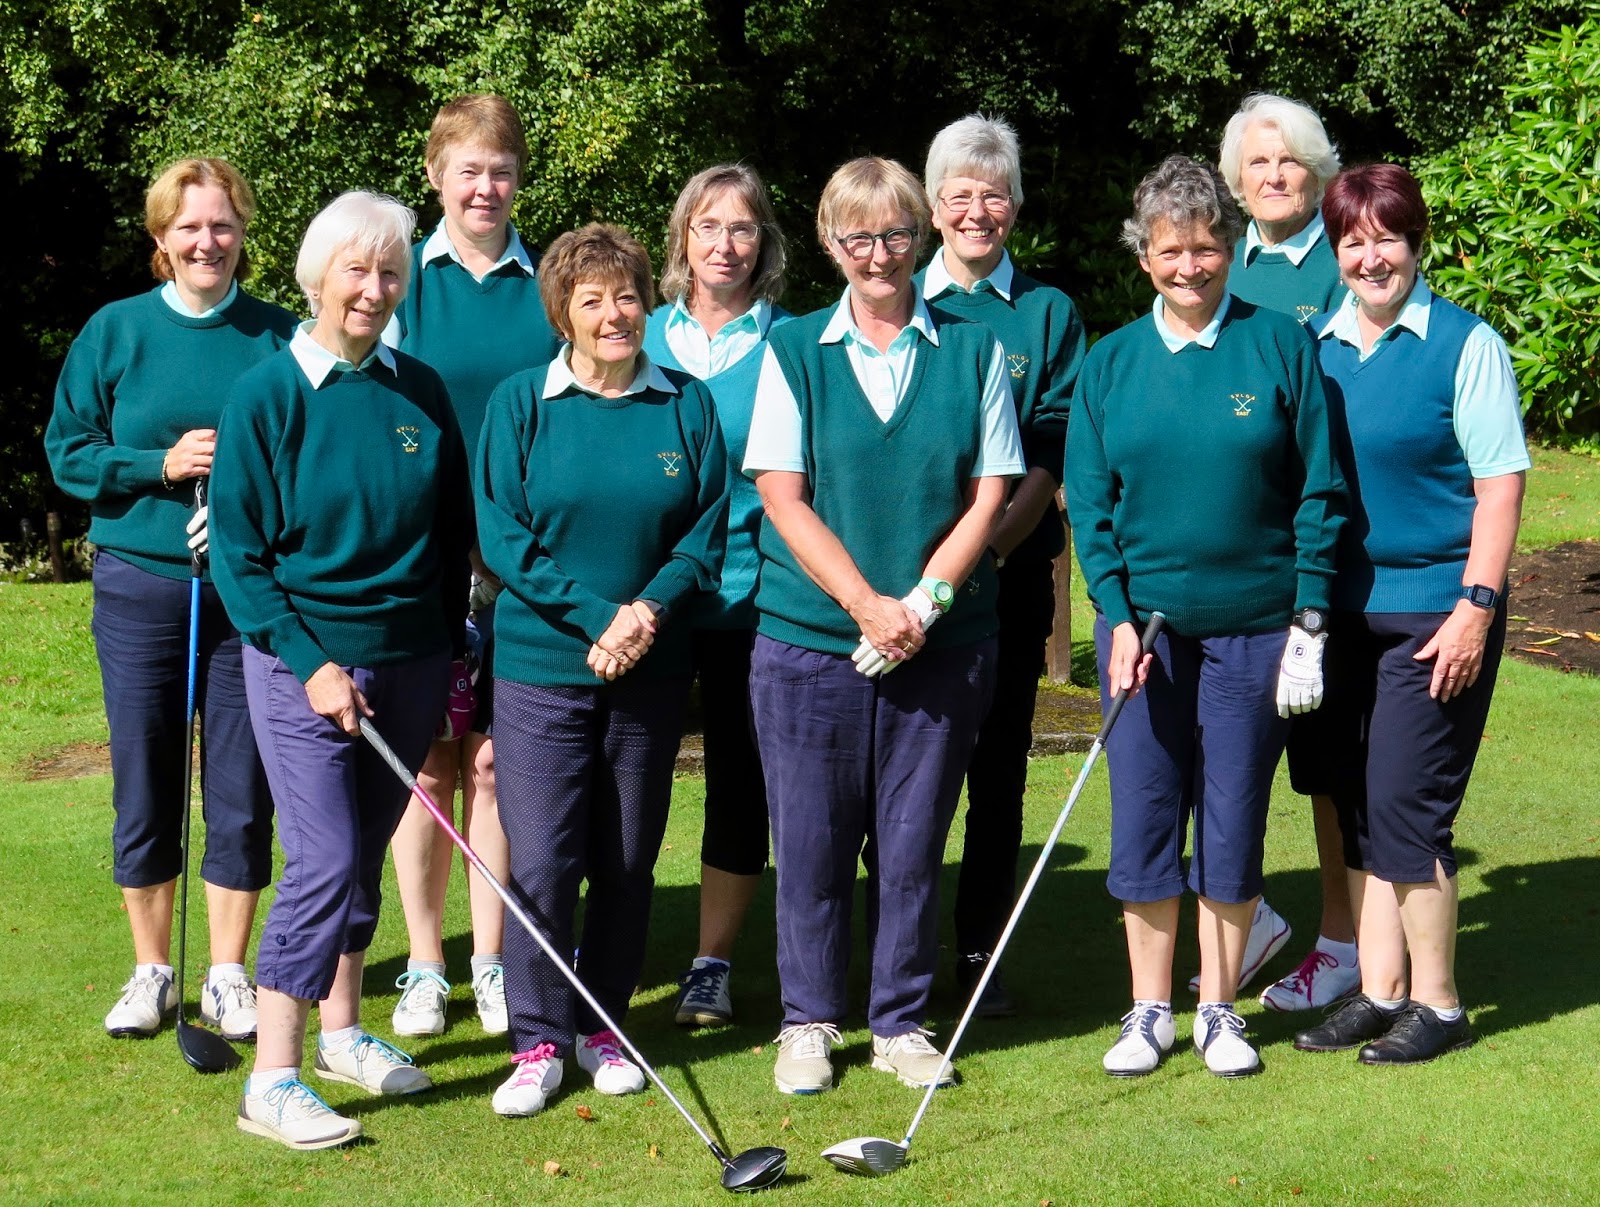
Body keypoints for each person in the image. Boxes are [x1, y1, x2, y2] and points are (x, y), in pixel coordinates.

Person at [745, 156, 1024, 1095]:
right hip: (809, 642)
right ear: (829, 242)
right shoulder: (791, 350)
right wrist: (868, 605)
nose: (879, 255)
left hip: (941, 643)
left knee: (910, 846)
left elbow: (991, 495)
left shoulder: (975, 350)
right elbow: (783, 497)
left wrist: (922, 606)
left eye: (897, 235)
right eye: (858, 237)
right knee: (814, 845)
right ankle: (809, 1021)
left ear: (923, 238)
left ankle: (901, 1020)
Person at [1066, 155, 1346, 1079]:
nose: (1191, 266)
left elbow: (1320, 489)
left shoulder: (1280, 345)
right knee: (1146, 816)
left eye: (1207, 248)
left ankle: (1216, 1006)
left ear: (1231, 248)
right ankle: (1149, 1008)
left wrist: (1308, 617)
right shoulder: (1109, 362)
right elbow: (1090, 506)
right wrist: (1111, 618)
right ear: (1143, 257)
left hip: (1257, 627)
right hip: (1147, 634)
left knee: (1232, 817)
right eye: (1171, 250)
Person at [211, 191, 471, 1149]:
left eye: (391, 270)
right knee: (321, 859)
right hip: (300, 660)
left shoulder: (421, 389)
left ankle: (342, 1030)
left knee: (359, 858)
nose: (374, 287)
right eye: (356, 270)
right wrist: (313, 662)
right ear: (316, 278)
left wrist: (450, 644)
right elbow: (239, 556)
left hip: (410, 660)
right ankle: (270, 1079)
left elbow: (449, 539)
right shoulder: (268, 394)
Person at [474, 223, 729, 1118]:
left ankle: (603, 1025)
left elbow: (705, 532)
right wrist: (598, 617)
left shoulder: (686, 405)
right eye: (593, 301)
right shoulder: (519, 404)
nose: (615, 314)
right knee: (543, 859)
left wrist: (645, 614)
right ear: (563, 314)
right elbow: (504, 535)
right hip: (544, 665)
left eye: (627, 297)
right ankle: (539, 1037)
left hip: (649, 669)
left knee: (626, 857)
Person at [45, 158, 294, 1044]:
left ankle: (228, 972)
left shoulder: (278, 336)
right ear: (160, 239)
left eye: (222, 225)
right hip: (143, 586)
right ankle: (153, 969)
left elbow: (306, 458)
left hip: (245, 593)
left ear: (242, 234)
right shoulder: (115, 332)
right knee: (145, 780)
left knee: (241, 784)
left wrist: (237, 504)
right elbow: (69, 452)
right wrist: (158, 467)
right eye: (188, 227)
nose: (206, 241)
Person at [1292, 163, 1527, 1065]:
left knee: (1405, 805)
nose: (1370, 255)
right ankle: (1381, 989)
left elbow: (1498, 487)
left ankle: (1439, 1001)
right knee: (1356, 804)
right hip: (1341, 612)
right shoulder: (1316, 343)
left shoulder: (1466, 346)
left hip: (1436, 610)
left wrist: (1477, 604)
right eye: (1353, 240)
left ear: (1417, 241)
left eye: (1386, 236)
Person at [384, 93, 561, 1041]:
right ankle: (425, 963)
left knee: (497, 765)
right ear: (435, 176)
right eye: (468, 169)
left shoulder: (549, 283)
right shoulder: (401, 277)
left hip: (524, 562)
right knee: (427, 768)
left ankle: (491, 957)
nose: (485, 186)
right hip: (424, 559)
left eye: (500, 169)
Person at [918, 114, 1086, 1018]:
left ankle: (981, 948)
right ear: (933, 205)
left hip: (1009, 580)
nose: (977, 210)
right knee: (906, 772)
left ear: (1014, 206)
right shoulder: (899, 295)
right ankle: (902, 946)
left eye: (994, 194)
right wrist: (930, 576)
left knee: (998, 769)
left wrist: (983, 553)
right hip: (908, 588)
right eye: (960, 194)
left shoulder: (1049, 313)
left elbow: (1051, 450)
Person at [642, 164, 791, 1029]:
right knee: (632, 777)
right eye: (707, 227)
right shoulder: (635, 333)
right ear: (682, 240)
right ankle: (616, 942)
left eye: (741, 228)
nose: (724, 245)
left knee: (741, 783)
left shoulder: (795, 344)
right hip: (654, 602)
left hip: (753, 602)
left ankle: (711, 961)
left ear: (763, 243)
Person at [1217, 93, 1357, 1010]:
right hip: (1238, 563)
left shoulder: (1342, 266)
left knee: (1330, 760)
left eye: (1290, 163)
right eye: (1258, 165)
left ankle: (1343, 940)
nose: (1273, 178)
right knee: (1230, 753)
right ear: (1236, 180)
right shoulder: (1214, 266)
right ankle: (1254, 915)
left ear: (1319, 175)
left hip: (1327, 546)